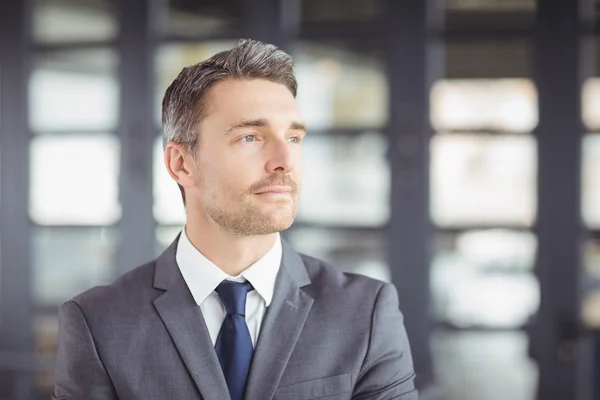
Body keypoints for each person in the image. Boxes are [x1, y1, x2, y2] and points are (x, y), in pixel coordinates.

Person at [52, 39, 417, 400]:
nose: (284, 161)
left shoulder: (366, 313)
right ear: (181, 164)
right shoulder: (98, 323)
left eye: (293, 137)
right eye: (250, 137)